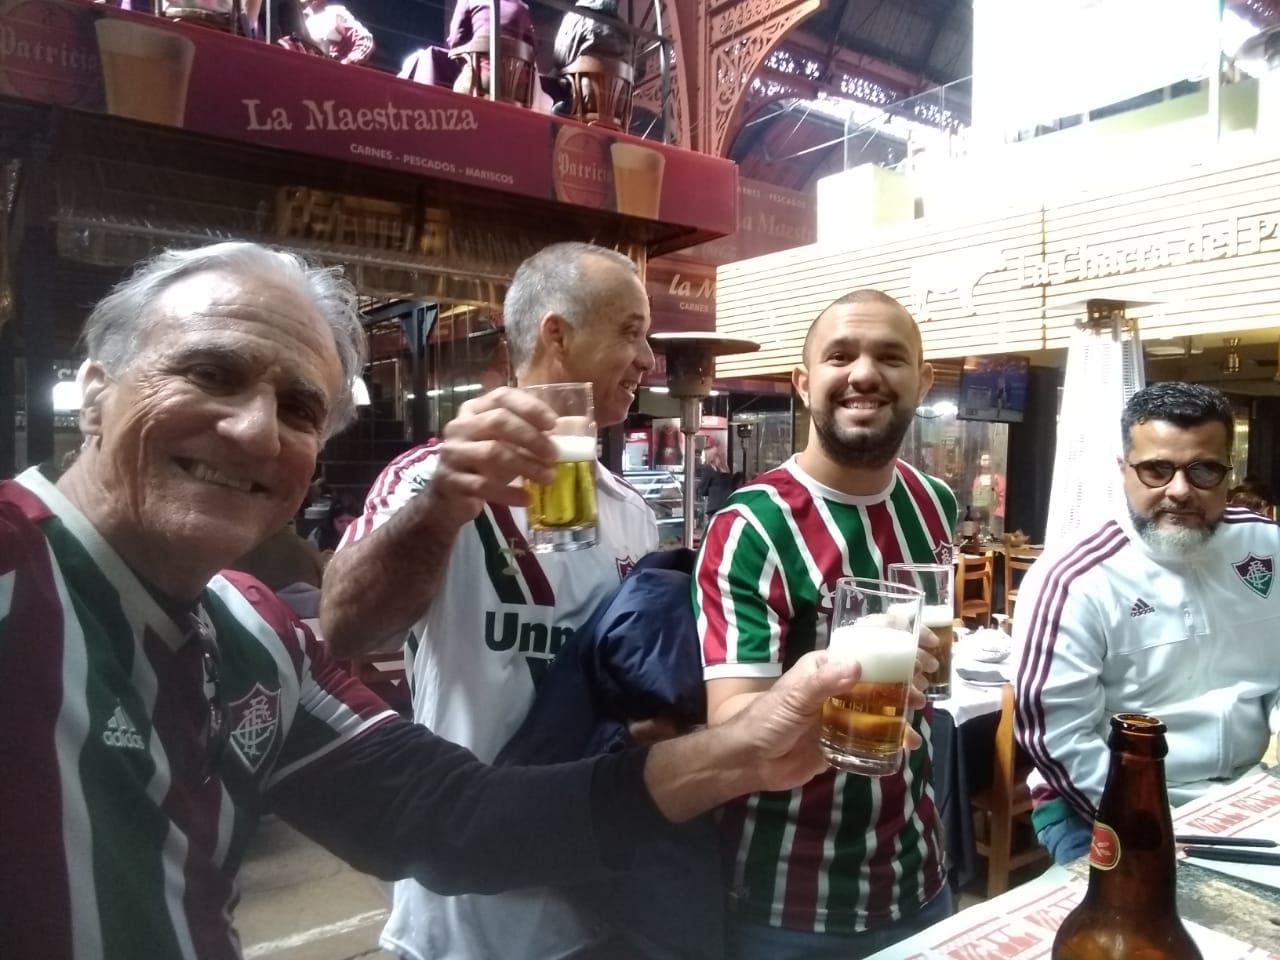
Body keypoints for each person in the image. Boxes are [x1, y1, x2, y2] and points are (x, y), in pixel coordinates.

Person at [0, 241, 927, 959]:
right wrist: (448, 497)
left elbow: (452, 814)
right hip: (466, 933)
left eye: (300, 408)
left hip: (586, 886)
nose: (254, 429)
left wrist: (738, 747)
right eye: (209, 372)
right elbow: (351, 625)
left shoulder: (251, 637)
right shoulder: (20, 570)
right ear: (94, 389)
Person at [320, 242, 660, 960]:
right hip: (464, 917)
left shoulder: (630, 510)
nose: (649, 360)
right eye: (631, 331)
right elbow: (345, 629)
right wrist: (445, 501)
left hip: (599, 893)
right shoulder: (431, 478)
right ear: (557, 335)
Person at [693, 289, 956, 960]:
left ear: (922, 381)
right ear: (804, 382)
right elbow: (733, 726)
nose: (864, 373)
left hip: (920, 876)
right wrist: (835, 692)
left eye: (890, 357)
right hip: (787, 905)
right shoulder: (750, 526)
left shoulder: (935, 503)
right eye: (840, 356)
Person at [1014, 381, 1280, 865]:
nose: (1180, 491)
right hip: (1095, 802)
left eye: (1204, 470)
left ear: (1229, 471)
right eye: (1157, 469)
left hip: (1244, 789)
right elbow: (1058, 738)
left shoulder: (1268, 548)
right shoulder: (1075, 578)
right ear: (1124, 470)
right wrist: (1146, 823)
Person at [295, 0, 374, 64]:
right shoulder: (297, 20)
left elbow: (365, 39)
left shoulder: (334, 13)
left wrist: (349, 60)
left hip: (338, 70)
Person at [696, 441, 738, 517]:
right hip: (728, 504)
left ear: (708, 456)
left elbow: (702, 490)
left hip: (715, 507)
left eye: (703, 455)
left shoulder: (708, 469)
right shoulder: (726, 469)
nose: (701, 457)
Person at [970, 451, 1005, 534]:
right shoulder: (977, 480)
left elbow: (1003, 497)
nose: (985, 462)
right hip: (981, 516)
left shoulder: (1000, 479)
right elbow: (975, 496)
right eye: (983, 460)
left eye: (987, 459)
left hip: (996, 516)